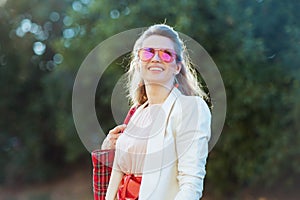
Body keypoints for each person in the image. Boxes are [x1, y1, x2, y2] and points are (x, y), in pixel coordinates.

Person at [103, 24, 211, 200]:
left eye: (166, 54)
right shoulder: (136, 113)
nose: (155, 58)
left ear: (177, 67)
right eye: (148, 52)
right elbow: (117, 177)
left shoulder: (191, 108)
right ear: (138, 63)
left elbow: (191, 185)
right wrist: (109, 148)